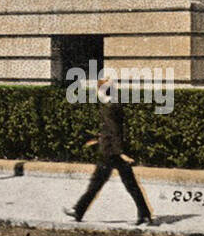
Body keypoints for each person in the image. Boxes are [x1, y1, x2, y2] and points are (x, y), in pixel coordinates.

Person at [65, 77, 152, 226]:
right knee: (127, 184)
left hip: (111, 153)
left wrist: (120, 152)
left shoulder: (110, 106)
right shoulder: (111, 103)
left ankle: (78, 211)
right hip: (111, 151)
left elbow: (115, 131)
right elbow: (110, 130)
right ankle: (144, 213)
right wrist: (99, 139)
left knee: (98, 183)